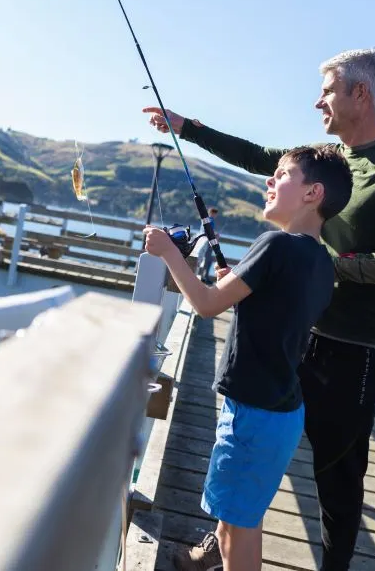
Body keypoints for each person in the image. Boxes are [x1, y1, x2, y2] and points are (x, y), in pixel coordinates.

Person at [143, 48, 375, 571]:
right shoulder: (322, 158)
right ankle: (220, 548)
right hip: (298, 335)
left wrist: (344, 266)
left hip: (355, 349)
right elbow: (257, 155)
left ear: (362, 94)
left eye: (329, 91)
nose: (319, 102)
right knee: (261, 457)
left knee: (338, 473)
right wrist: (186, 127)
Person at [144, 145, 353, 571]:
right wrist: (240, 287)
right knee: (235, 524)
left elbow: (203, 304)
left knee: (238, 530)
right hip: (280, 412)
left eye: (281, 174)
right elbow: (278, 310)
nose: (269, 181)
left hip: (252, 416)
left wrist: (168, 252)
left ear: (313, 192)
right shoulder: (321, 261)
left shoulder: (275, 245)